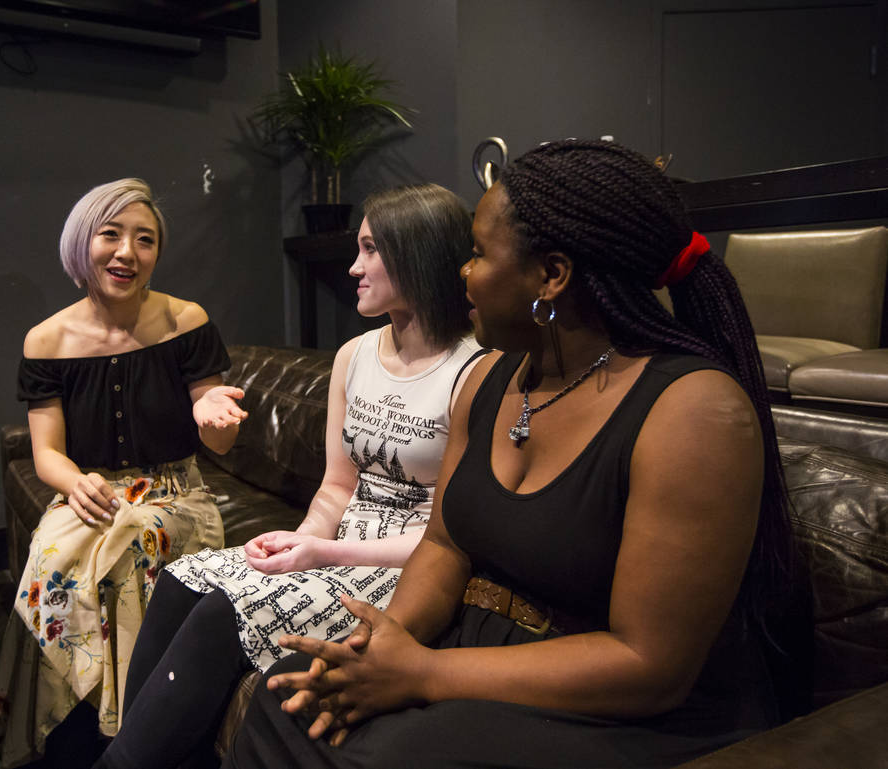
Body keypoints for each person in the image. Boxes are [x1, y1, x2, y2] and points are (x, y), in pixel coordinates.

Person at [226, 140, 806, 769]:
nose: (462, 273)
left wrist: (424, 674)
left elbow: (648, 666)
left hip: (618, 699)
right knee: (288, 698)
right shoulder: (488, 379)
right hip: (481, 645)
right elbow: (445, 546)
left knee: (382, 755)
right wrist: (389, 638)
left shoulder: (692, 411)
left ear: (551, 275)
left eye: (477, 253)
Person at [93, 183, 486, 769]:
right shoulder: (354, 356)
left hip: (406, 568)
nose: (354, 267)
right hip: (335, 545)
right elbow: (335, 486)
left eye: (371, 250)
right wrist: (301, 540)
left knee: (224, 611)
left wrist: (323, 552)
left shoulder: (476, 369)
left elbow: (450, 537)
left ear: (416, 253)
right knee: (183, 578)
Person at [0, 178, 247, 768]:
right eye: (111, 234)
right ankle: (61, 733)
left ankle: (128, 737)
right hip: (91, 489)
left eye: (145, 239)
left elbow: (223, 442)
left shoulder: (186, 321)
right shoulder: (46, 340)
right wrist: (73, 482)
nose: (127, 252)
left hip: (176, 493)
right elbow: (47, 452)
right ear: (83, 244)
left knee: (129, 545)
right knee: (52, 558)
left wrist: (214, 418)